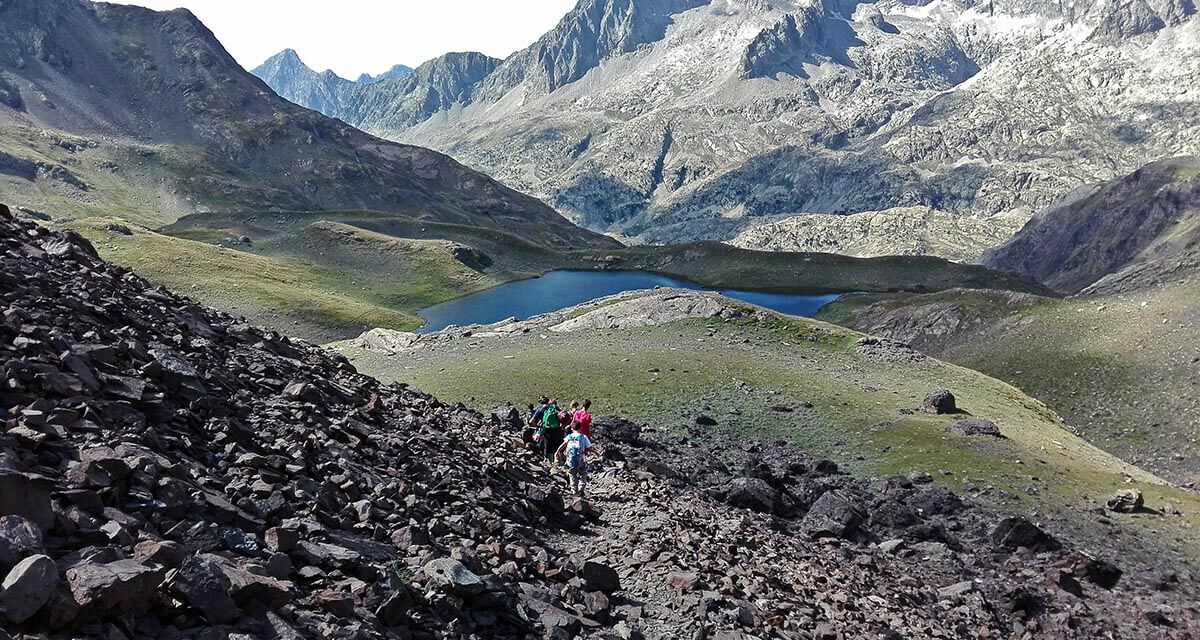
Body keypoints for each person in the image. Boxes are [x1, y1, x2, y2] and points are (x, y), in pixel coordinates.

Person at [555, 422, 593, 496]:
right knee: (583, 473)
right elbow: (589, 448)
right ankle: (581, 487)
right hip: (580, 460)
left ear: (572, 429)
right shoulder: (583, 437)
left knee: (572, 475)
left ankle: (574, 491)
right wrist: (596, 453)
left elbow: (563, 444)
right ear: (580, 428)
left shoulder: (569, 437)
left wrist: (558, 451)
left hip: (570, 460)